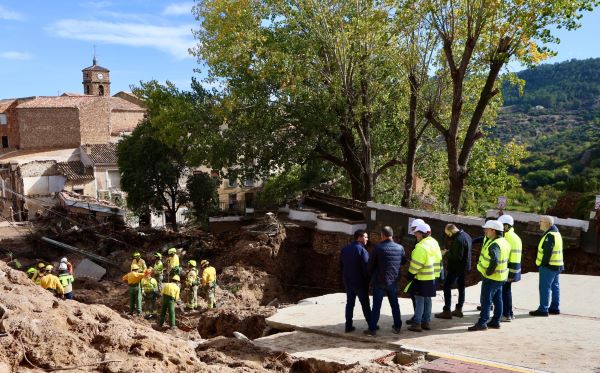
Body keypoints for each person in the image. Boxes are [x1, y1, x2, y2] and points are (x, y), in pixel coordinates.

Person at [468, 220, 510, 331]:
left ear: (493, 231)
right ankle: (496, 321)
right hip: (500, 277)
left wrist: (488, 272)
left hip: (492, 277)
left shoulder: (495, 244)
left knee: (486, 300)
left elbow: (495, 260)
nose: (484, 231)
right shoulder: (504, 242)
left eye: (486, 229)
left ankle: (482, 322)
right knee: (497, 299)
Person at [365, 226, 405, 336]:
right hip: (393, 281)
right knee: (395, 304)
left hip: (379, 281)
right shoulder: (400, 248)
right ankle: (397, 326)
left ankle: (372, 329)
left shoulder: (377, 248)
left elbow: (370, 266)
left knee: (376, 306)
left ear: (382, 235)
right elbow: (403, 261)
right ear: (392, 235)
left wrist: (371, 275)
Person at [407, 223, 440, 332]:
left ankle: (417, 323)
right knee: (427, 299)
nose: (415, 235)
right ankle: (426, 322)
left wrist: (410, 274)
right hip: (432, 276)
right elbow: (439, 258)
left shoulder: (421, 247)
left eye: (416, 233)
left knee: (419, 300)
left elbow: (416, 264)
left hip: (421, 277)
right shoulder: (434, 242)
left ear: (422, 234)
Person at [435, 224, 472, 319]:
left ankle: (447, 310)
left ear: (451, 231)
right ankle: (459, 309)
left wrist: (446, 253)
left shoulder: (458, 240)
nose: (448, 236)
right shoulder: (466, 235)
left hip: (456, 268)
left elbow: (457, 257)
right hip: (465, 266)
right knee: (461, 287)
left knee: (447, 286)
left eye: (448, 233)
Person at [530, 215, 564, 317]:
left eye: (541, 221)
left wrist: (542, 264)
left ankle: (543, 309)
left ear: (547, 224)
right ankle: (554, 308)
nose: (539, 223)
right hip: (557, 265)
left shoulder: (550, 235)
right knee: (555, 287)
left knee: (545, 288)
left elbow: (547, 252)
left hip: (549, 266)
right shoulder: (556, 233)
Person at [340, 229, 371, 333]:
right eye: (365, 237)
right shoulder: (362, 250)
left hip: (348, 281)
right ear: (360, 237)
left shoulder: (345, 249)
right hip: (360, 283)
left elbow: (341, 265)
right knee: (365, 304)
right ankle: (371, 325)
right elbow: (367, 268)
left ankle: (348, 326)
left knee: (349, 304)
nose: (367, 239)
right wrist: (368, 280)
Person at [497, 215, 522, 322]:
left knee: (504, 293)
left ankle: (506, 314)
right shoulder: (514, 236)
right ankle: (509, 313)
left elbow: (513, 258)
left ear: (506, 226)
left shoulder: (508, 238)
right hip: (512, 270)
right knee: (507, 292)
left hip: (508, 271)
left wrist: (511, 274)